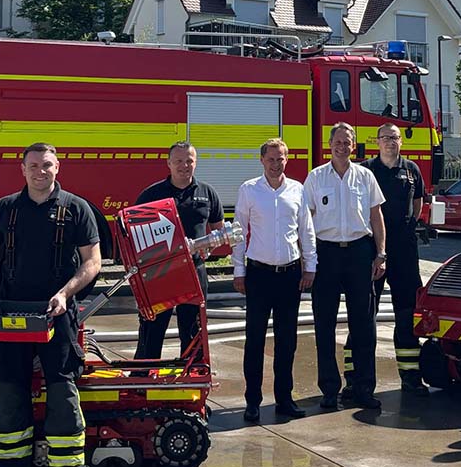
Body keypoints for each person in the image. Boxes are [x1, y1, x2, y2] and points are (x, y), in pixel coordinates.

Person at [0, 142, 101, 467]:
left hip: (57, 315)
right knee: (10, 388)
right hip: (11, 314)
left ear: (57, 168)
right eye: (33, 165)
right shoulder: (6, 209)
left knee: (61, 390)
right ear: (22, 169)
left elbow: (93, 262)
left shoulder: (76, 209)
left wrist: (65, 293)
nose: (39, 171)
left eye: (46, 165)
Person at [233, 138, 317, 422]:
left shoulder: (297, 189)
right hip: (258, 274)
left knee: (287, 341)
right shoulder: (249, 190)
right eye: (270, 159)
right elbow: (238, 233)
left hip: (290, 275)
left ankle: (284, 399)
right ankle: (252, 401)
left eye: (280, 158)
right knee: (254, 340)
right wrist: (238, 271)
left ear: (286, 159)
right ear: (261, 160)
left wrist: (310, 267)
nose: (275, 163)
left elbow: (306, 230)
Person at [304, 122, 387, 410]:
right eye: (338, 142)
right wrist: (308, 259)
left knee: (364, 324)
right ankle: (329, 389)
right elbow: (306, 221)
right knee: (324, 325)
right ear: (330, 145)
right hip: (326, 255)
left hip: (359, 253)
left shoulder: (365, 176)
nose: (342, 146)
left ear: (354, 145)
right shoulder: (315, 178)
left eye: (347, 142)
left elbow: (376, 216)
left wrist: (380, 253)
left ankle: (363, 389)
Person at [342, 123, 428, 397]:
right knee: (363, 313)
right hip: (370, 250)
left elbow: (418, 203)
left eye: (395, 138)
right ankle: (354, 379)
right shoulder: (365, 170)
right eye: (386, 138)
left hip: (404, 251)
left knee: (407, 314)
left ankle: (411, 377)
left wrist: (408, 227)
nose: (391, 142)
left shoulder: (411, 170)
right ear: (377, 142)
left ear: (401, 142)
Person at [133, 141, 224, 361]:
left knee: (193, 330)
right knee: (152, 330)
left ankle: (191, 376)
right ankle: (143, 378)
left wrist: (209, 247)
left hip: (194, 272)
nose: (184, 166)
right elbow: (134, 234)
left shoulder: (207, 193)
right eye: (179, 161)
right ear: (169, 164)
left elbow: (219, 230)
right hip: (159, 275)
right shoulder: (152, 194)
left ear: (196, 163)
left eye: (189, 161)